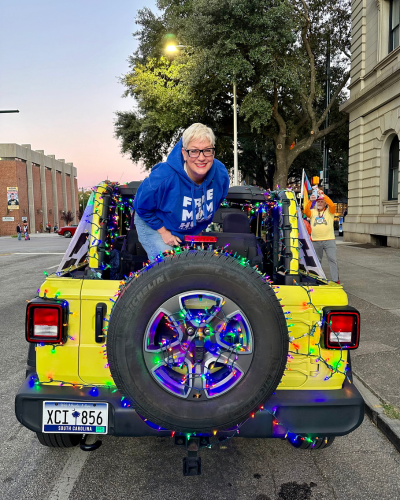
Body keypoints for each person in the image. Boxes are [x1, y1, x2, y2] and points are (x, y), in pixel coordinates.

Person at [133, 123, 230, 259]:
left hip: (181, 226)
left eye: (207, 150)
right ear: (184, 153)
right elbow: (140, 205)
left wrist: (199, 226)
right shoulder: (163, 177)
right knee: (170, 266)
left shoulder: (221, 175)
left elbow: (216, 201)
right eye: (194, 151)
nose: (201, 158)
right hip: (153, 222)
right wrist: (164, 232)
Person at [304, 189, 339, 283]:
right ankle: (317, 279)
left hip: (329, 240)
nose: (319, 203)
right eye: (318, 201)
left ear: (325, 203)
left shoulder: (330, 211)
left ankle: (335, 280)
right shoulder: (313, 212)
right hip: (315, 240)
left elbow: (331, 204)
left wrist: (323, 196)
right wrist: (310, 201)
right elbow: (305, 211)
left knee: (332, 260)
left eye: (321, 202)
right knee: (317, 262)